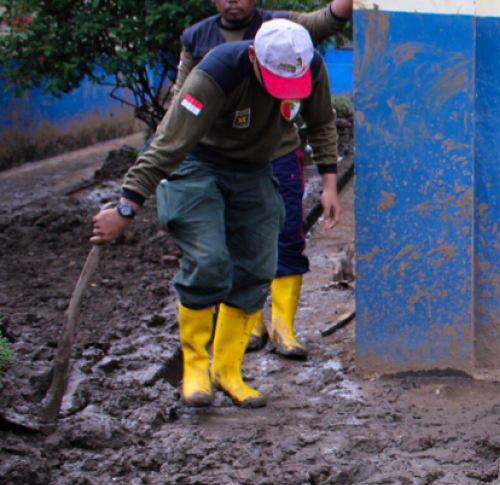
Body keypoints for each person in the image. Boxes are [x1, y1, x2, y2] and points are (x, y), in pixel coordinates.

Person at [91, 20, 340, 409]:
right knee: (209, 260)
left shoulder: (312, 66)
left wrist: (329, 182)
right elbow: (167, 143)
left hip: (256, 167)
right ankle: (195, 369)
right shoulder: (217, 73)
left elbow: (322, 122)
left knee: (259, 265)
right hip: (198, 163)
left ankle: (228, 370)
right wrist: (127, 205)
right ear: (254, 56)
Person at [176, 0, 353, 359]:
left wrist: (329, 182)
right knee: (230, 241)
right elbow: (182, 105)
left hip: (276, 154)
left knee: (286, 233)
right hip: (221, 159)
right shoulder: (198, 39)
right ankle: (248, 320)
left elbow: (328, 21)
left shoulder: (283, 29)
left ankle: (282, 327)